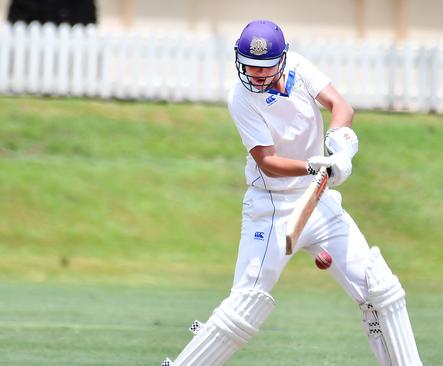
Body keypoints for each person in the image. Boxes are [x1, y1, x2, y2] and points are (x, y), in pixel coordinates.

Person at [161, 19, 423, 366]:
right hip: (274, 209)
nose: (254, 72)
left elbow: (342, 108)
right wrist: (317, 166)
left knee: (379, 289)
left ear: (282, 60)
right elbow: (267, 161)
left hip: (318, 201)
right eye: (249, 64)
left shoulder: (299, 67)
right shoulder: (241, 98)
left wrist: (338, 145)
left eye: (263, 66)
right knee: (246, 304)